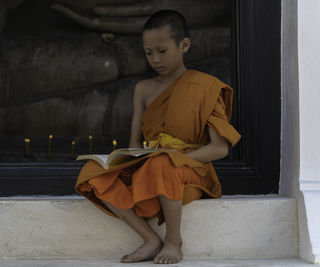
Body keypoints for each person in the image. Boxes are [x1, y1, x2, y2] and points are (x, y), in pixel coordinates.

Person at [75, 9, 241, 264]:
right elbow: (134, 144)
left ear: (184, 45)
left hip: (190, 167)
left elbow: (219, 149)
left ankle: (174, 241)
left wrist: (174, 157)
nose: (155, 59)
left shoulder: (206, 87)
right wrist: (121, 162)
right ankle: (151, 239)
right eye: (148, 53)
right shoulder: (143, 89)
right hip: (149, 163)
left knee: (163, 163)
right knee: (93, 174)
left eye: (162, 51)